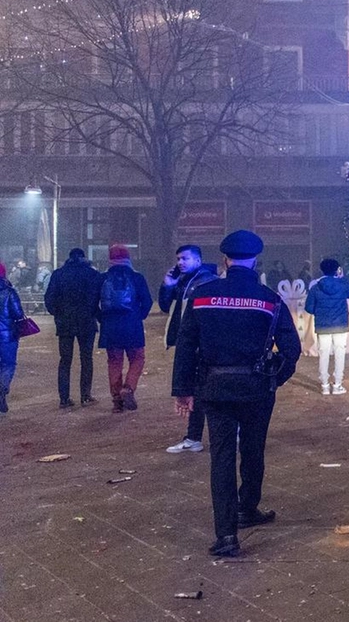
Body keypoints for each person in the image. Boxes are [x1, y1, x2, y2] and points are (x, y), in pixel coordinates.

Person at [173, 230, 300, 558]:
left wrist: (183, 391)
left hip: (214, 388)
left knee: (222, 457)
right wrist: (276, 378)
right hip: (257, 388)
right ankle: (248, 508)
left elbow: (186, 344)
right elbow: (291, 348)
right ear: (255, 260)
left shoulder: (202, 295)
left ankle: (226, 534)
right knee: (254, 450)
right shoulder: (269, 299)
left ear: (225, 260)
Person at [159, 245, 219, 453]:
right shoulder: (183, 281)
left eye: (185, 258)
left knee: (203, 389)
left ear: (198, 260)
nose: (180, 262)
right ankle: (194, 436)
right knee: (196, 389)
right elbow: (167, 307)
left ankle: (209, 435)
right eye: (178, 259)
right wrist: (167, 286)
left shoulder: (207, 281)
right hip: (189, 342)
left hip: (202, 344)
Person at [43, 249, 102, 408]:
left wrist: (57, 314)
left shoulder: (58, 274)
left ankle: (64, 398)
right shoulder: (92, 274)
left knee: (65, 360)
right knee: (86, 359)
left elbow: (49, 299)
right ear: (83, 257)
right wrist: (94, 313)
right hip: (86, 322)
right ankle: (85, 395)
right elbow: (98, 297)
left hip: (65, 322)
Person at [98, 245, 153, 413]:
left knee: (114, 362)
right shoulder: (137, 277)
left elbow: (93, 304)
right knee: (137, 358)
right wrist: (138, 316)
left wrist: (103, 319)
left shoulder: (102, 278)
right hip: (132, 326)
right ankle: (128, 388)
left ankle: (116, 401)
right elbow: (148, 302)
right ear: (129, 258)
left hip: (110, 327)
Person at [304, 258, 349, 394]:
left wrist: (321, 312)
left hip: (323, 325)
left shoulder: (316, 287)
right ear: (337, 270)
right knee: (339, 353)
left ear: (322, 270)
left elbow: (309, 308)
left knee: (324, 353)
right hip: (340, 324)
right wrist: (343, 278)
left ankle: (325, 386)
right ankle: (338, 384)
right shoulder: (342, 285)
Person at [0, 263, 25, 414]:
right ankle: (2, 390)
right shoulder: (9, 292)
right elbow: (18, 313)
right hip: (7, 335)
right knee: (8, 364)